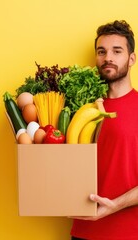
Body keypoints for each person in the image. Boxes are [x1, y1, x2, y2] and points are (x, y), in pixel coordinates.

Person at [70, 20, 138, 239]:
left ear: (131, 59)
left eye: (117, 51)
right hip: (83, 232)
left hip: (130, 233)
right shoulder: (79, 108)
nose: (108, 57)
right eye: (102, 51)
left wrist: (114, 206)